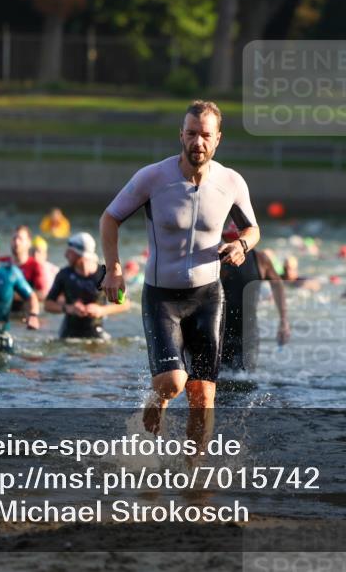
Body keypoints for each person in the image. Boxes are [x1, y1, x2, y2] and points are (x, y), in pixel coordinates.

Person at [100, 100, 259, 436]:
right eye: (191, 134)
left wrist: (242, 245)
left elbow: (252, 230)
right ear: (181, 135)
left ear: (218, 139)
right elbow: (110, 218)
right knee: (173, 383)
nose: (197, 142)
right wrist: (114, 268)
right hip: (163, 298)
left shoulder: (231, 182)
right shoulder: (153, 177)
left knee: (203, 397)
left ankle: (195, 480)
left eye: (205, 135)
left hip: (207, 297)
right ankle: (157, 399)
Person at [219, 221, 290, 371]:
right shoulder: (215, 258)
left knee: (246, 379)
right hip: (218, 332)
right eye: (227, 242)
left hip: (248, 334)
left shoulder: (260, 259)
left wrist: (284, 321)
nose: (231, 250)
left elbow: (277, 286)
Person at [45, 232, 129, 339]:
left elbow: (125, 303)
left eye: (69, 252)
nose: (65, 255)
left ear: (80, 254)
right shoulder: (64, 274)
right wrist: (69, 308)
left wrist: (101, 310)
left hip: (97, 334)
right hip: (68, 335)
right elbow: (48, 304)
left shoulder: (103, 274)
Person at [0, 225, 50, 309]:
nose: (16, 242)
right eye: (14, 238)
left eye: (20, 239)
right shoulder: (1, 262)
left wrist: (14, 295)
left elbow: (43, 294)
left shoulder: (35, 266)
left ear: (28, 243)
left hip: (23, 315)